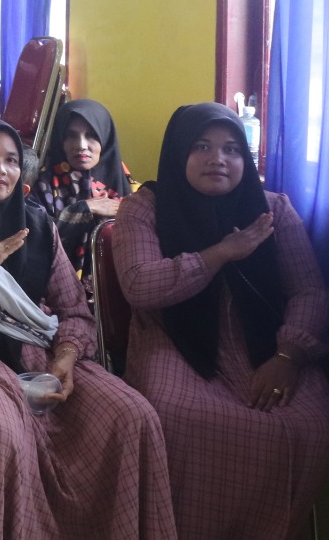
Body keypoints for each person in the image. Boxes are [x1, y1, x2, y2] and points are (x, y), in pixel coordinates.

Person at [0, 117, 175, 540]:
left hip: (40, 351)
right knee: (2, 434)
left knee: (133, 414)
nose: (0, 169)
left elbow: (74, 310)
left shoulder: (37, 225)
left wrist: (65, 360)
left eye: (10, 160)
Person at [115, 103, 329, 540]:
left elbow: (309, 290)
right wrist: (221, 253)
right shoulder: (144, 208)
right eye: (202, 146)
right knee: (180, 415)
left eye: (232, 149)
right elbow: (140, 285)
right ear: (179, 152)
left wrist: (288, 356)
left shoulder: (272, 209)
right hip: (175, 342)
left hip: (267, 347)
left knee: (308, 419)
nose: (218, 159)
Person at [38, 98, 136, 269]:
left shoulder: (135, 192)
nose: (81, 145)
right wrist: (83, 209)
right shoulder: (40, 186)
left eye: (91, 135)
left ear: (105, 137)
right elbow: (33, 240)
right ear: (60, 139)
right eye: (70, 135)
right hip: (57, 283)